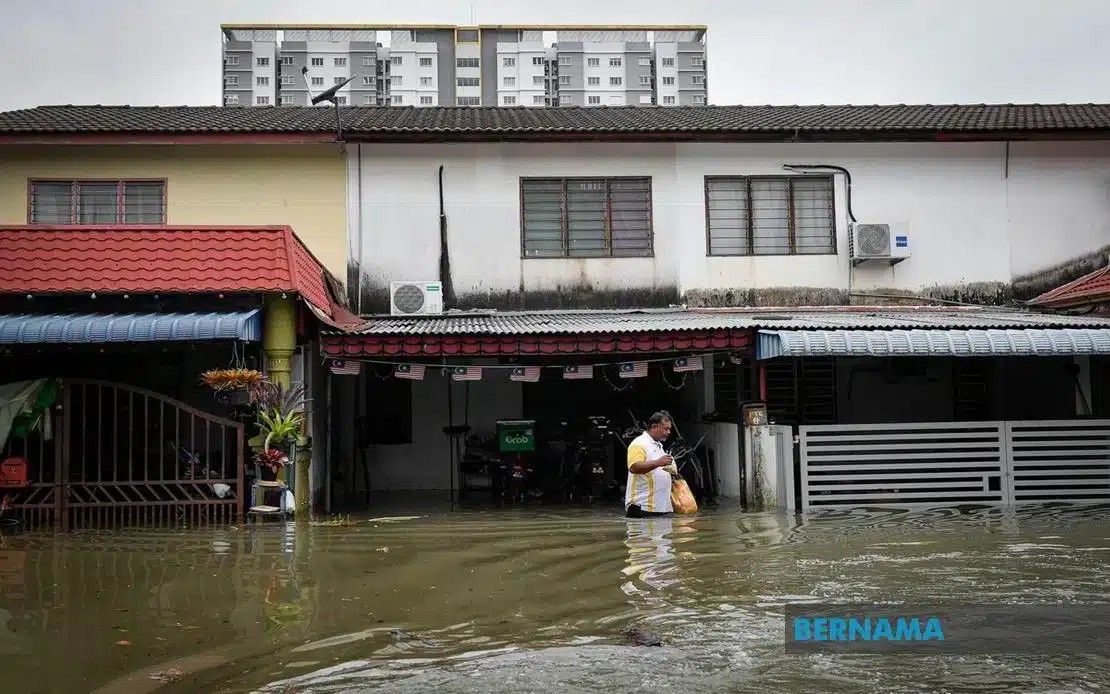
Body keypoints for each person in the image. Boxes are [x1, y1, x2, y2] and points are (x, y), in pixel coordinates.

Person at [624, 412, 677, 518]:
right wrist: (658, 462)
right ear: (654, 426)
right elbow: (634, 467)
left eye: (669, 429)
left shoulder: (659, 446)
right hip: (643, 507)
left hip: (660, 508)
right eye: (666, 429)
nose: (669, 432)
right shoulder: (639, 444)